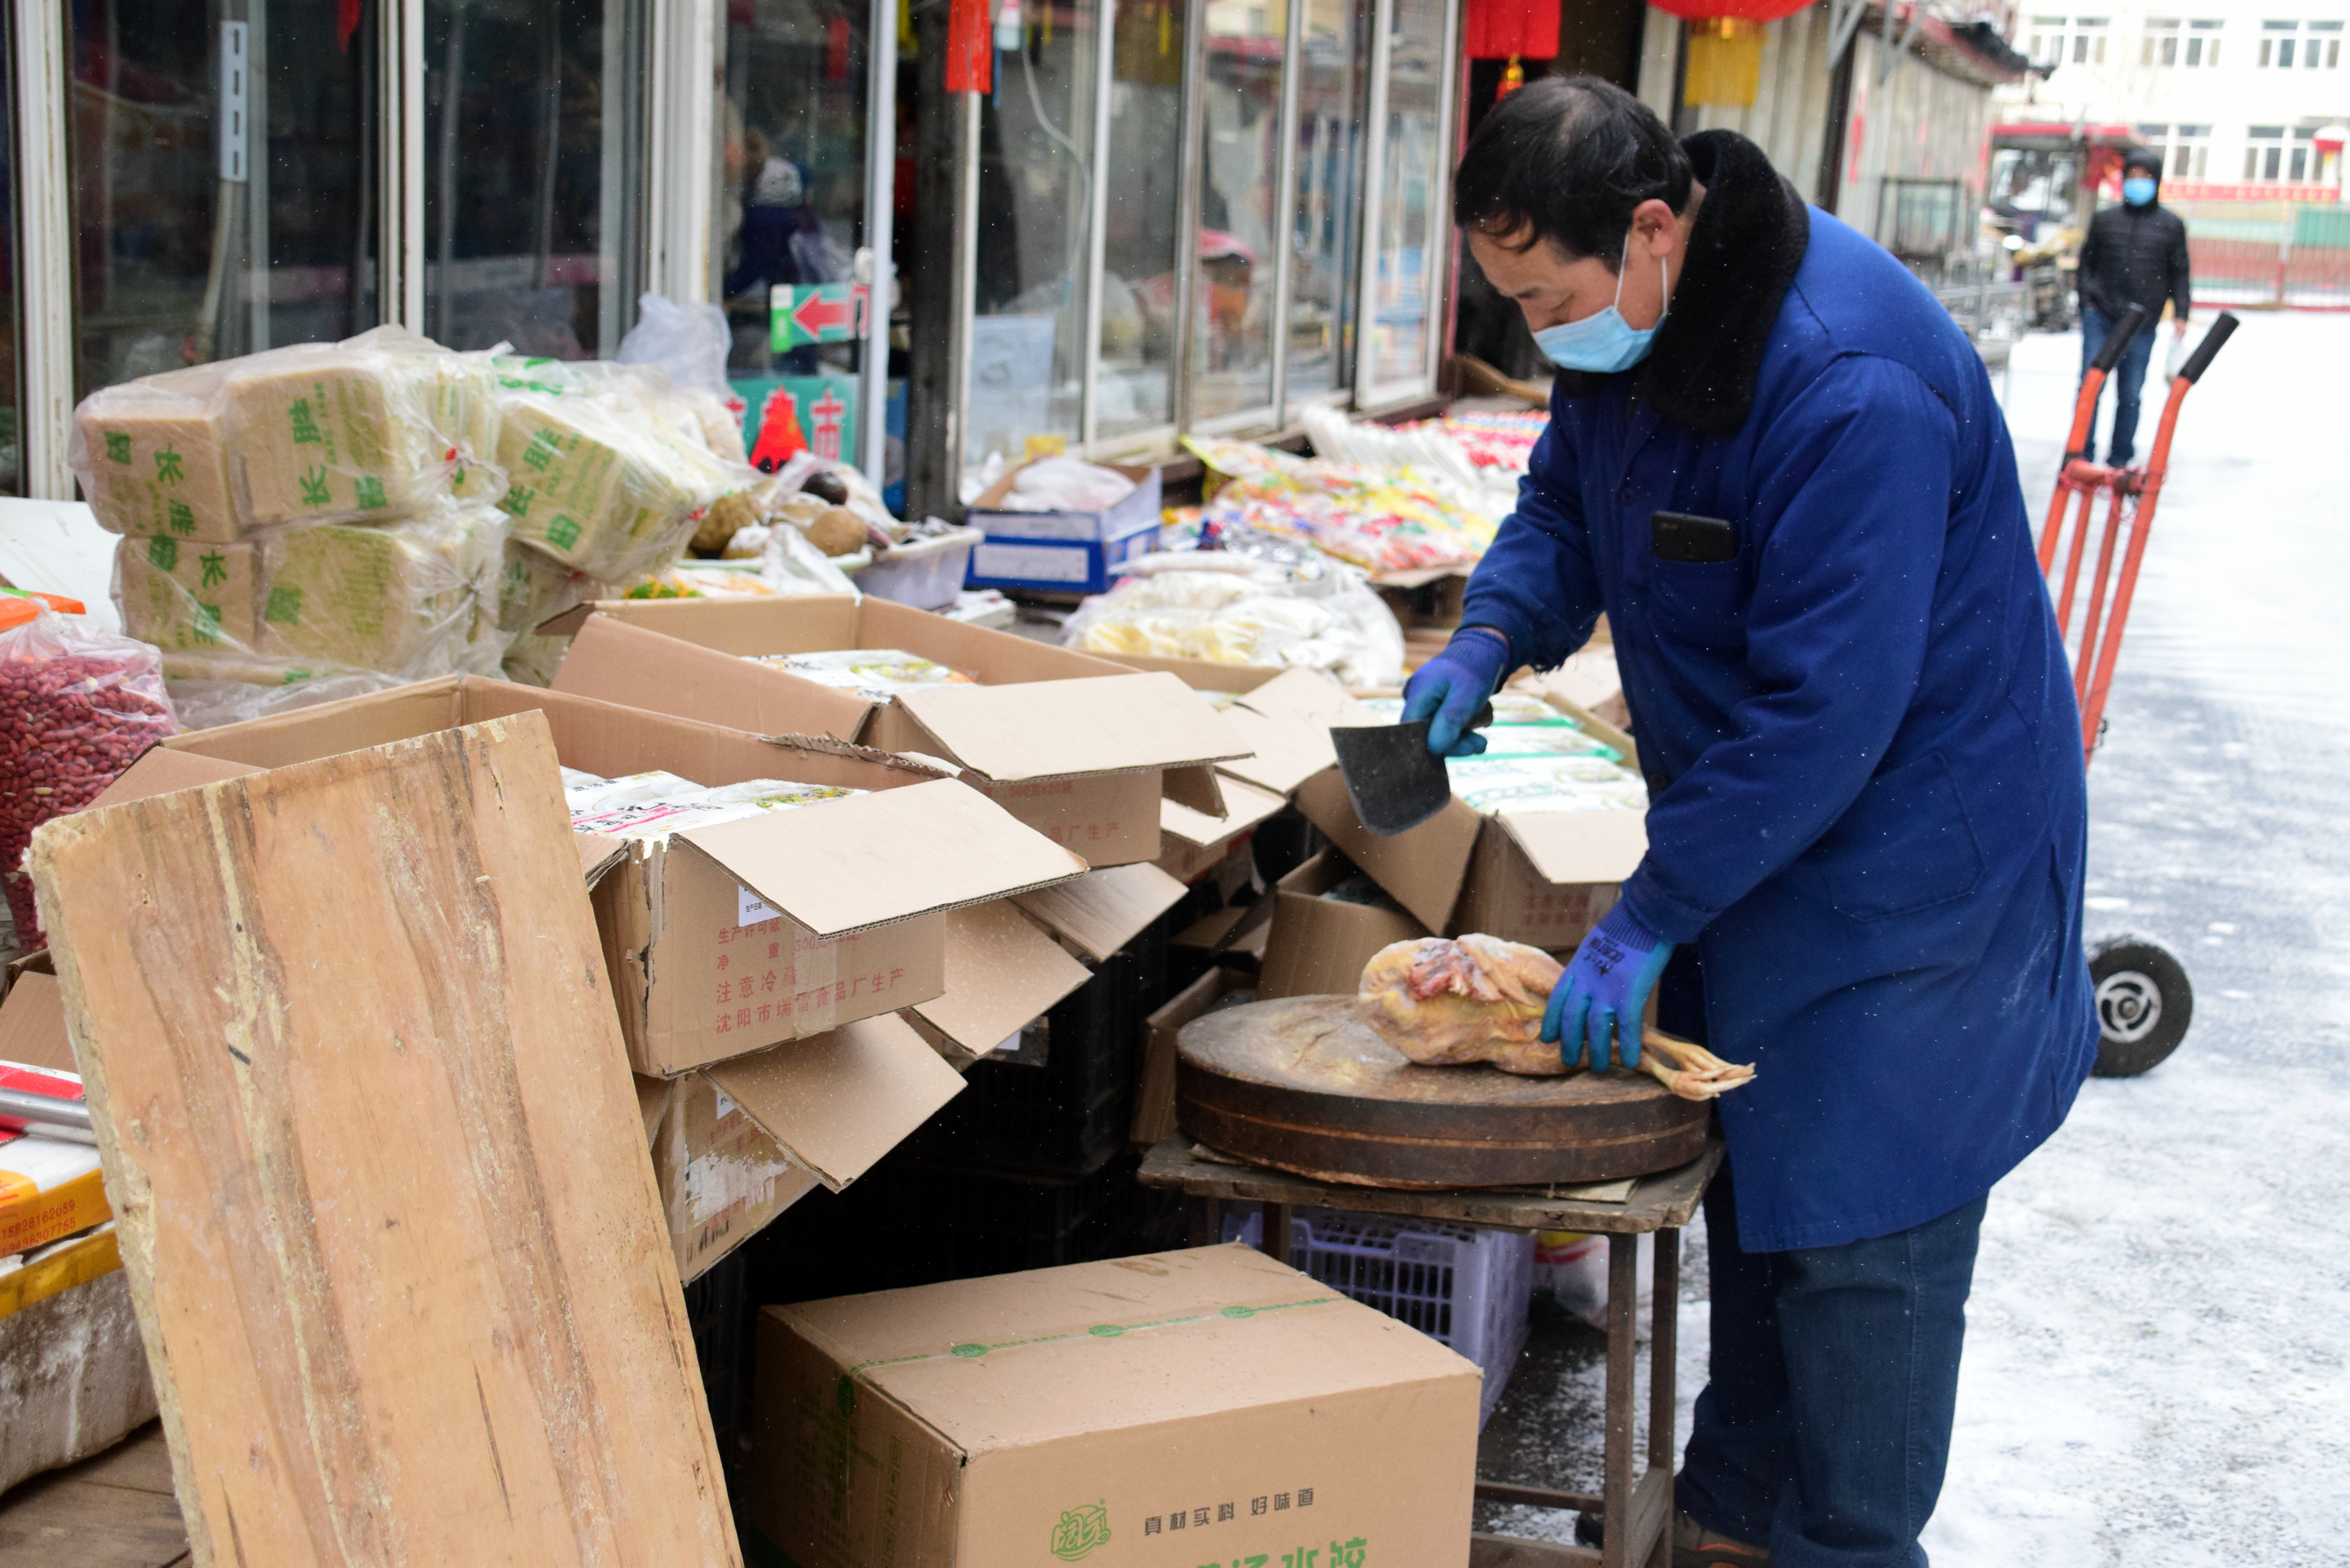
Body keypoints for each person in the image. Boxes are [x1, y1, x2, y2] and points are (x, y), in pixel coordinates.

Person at [1404, 77, 2098, 1568]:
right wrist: (1488, 636)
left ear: (1654, 230)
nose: (1539, 330)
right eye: (1510, 297)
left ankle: (1849, 1543)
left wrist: (1647, 913)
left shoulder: (1851, 382)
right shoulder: (1631, 324)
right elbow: (1565, 511)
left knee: (1864, 1250)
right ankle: (1722, 1528)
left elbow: (1825, 715)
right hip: (1766, 841)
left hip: (1919, 878)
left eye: (1550, 295)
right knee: (1767, 1215)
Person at [2074, 147, 2192, 466]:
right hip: (2102, 316)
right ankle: (2080, 453)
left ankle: (2120, 458)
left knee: (2131, 394)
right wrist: (2087, 303)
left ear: (2157, 182)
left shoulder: (2171, 226)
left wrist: (2181, 313)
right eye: (2132, 177)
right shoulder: (2105, 221)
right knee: (2090, 387)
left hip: (2143, 323)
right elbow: (2086, 265)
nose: (2138, 183)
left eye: (2145, 177)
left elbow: (2180, 271)